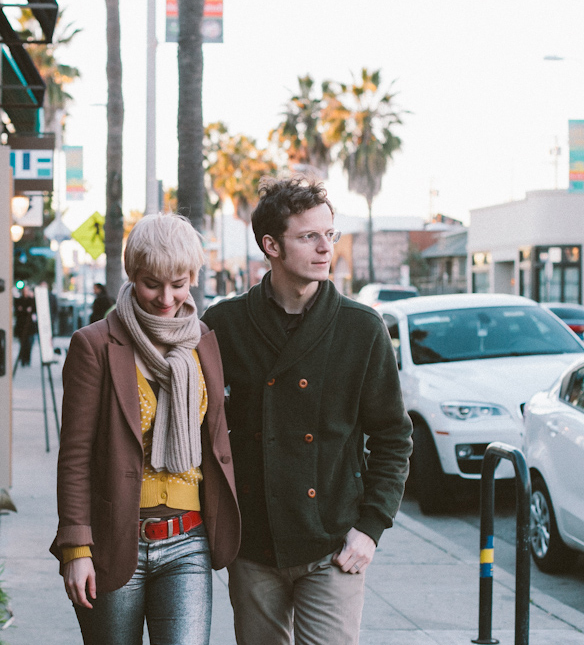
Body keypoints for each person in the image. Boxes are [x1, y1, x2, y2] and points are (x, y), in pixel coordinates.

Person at [201, 177, 412, 645]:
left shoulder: (361, 328)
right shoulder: (226, 323)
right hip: (254, 543)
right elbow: (204, 427)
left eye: (329, 234)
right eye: (308, 236)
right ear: (271, 245)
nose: (325, 248)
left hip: (333, 542)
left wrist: (370, 529)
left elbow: (393, 436)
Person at [51, 213, 241, 645]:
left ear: (192, 276)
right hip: (117, 541)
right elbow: (75, 456)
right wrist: (76, 548)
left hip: (189, 541)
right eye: (152, 282)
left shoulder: (202, 340)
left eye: (178, 282)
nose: (166, 297)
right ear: (132, 275)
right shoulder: (95, 345)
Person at [13, 287, 37, 367]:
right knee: (22, 343)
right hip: (21, 326)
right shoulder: (19, 300)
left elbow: (33, 310)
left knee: (29, 344)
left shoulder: (31, 300)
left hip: (30, 326)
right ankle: (23, 359)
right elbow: (18, 311)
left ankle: (27, 359)